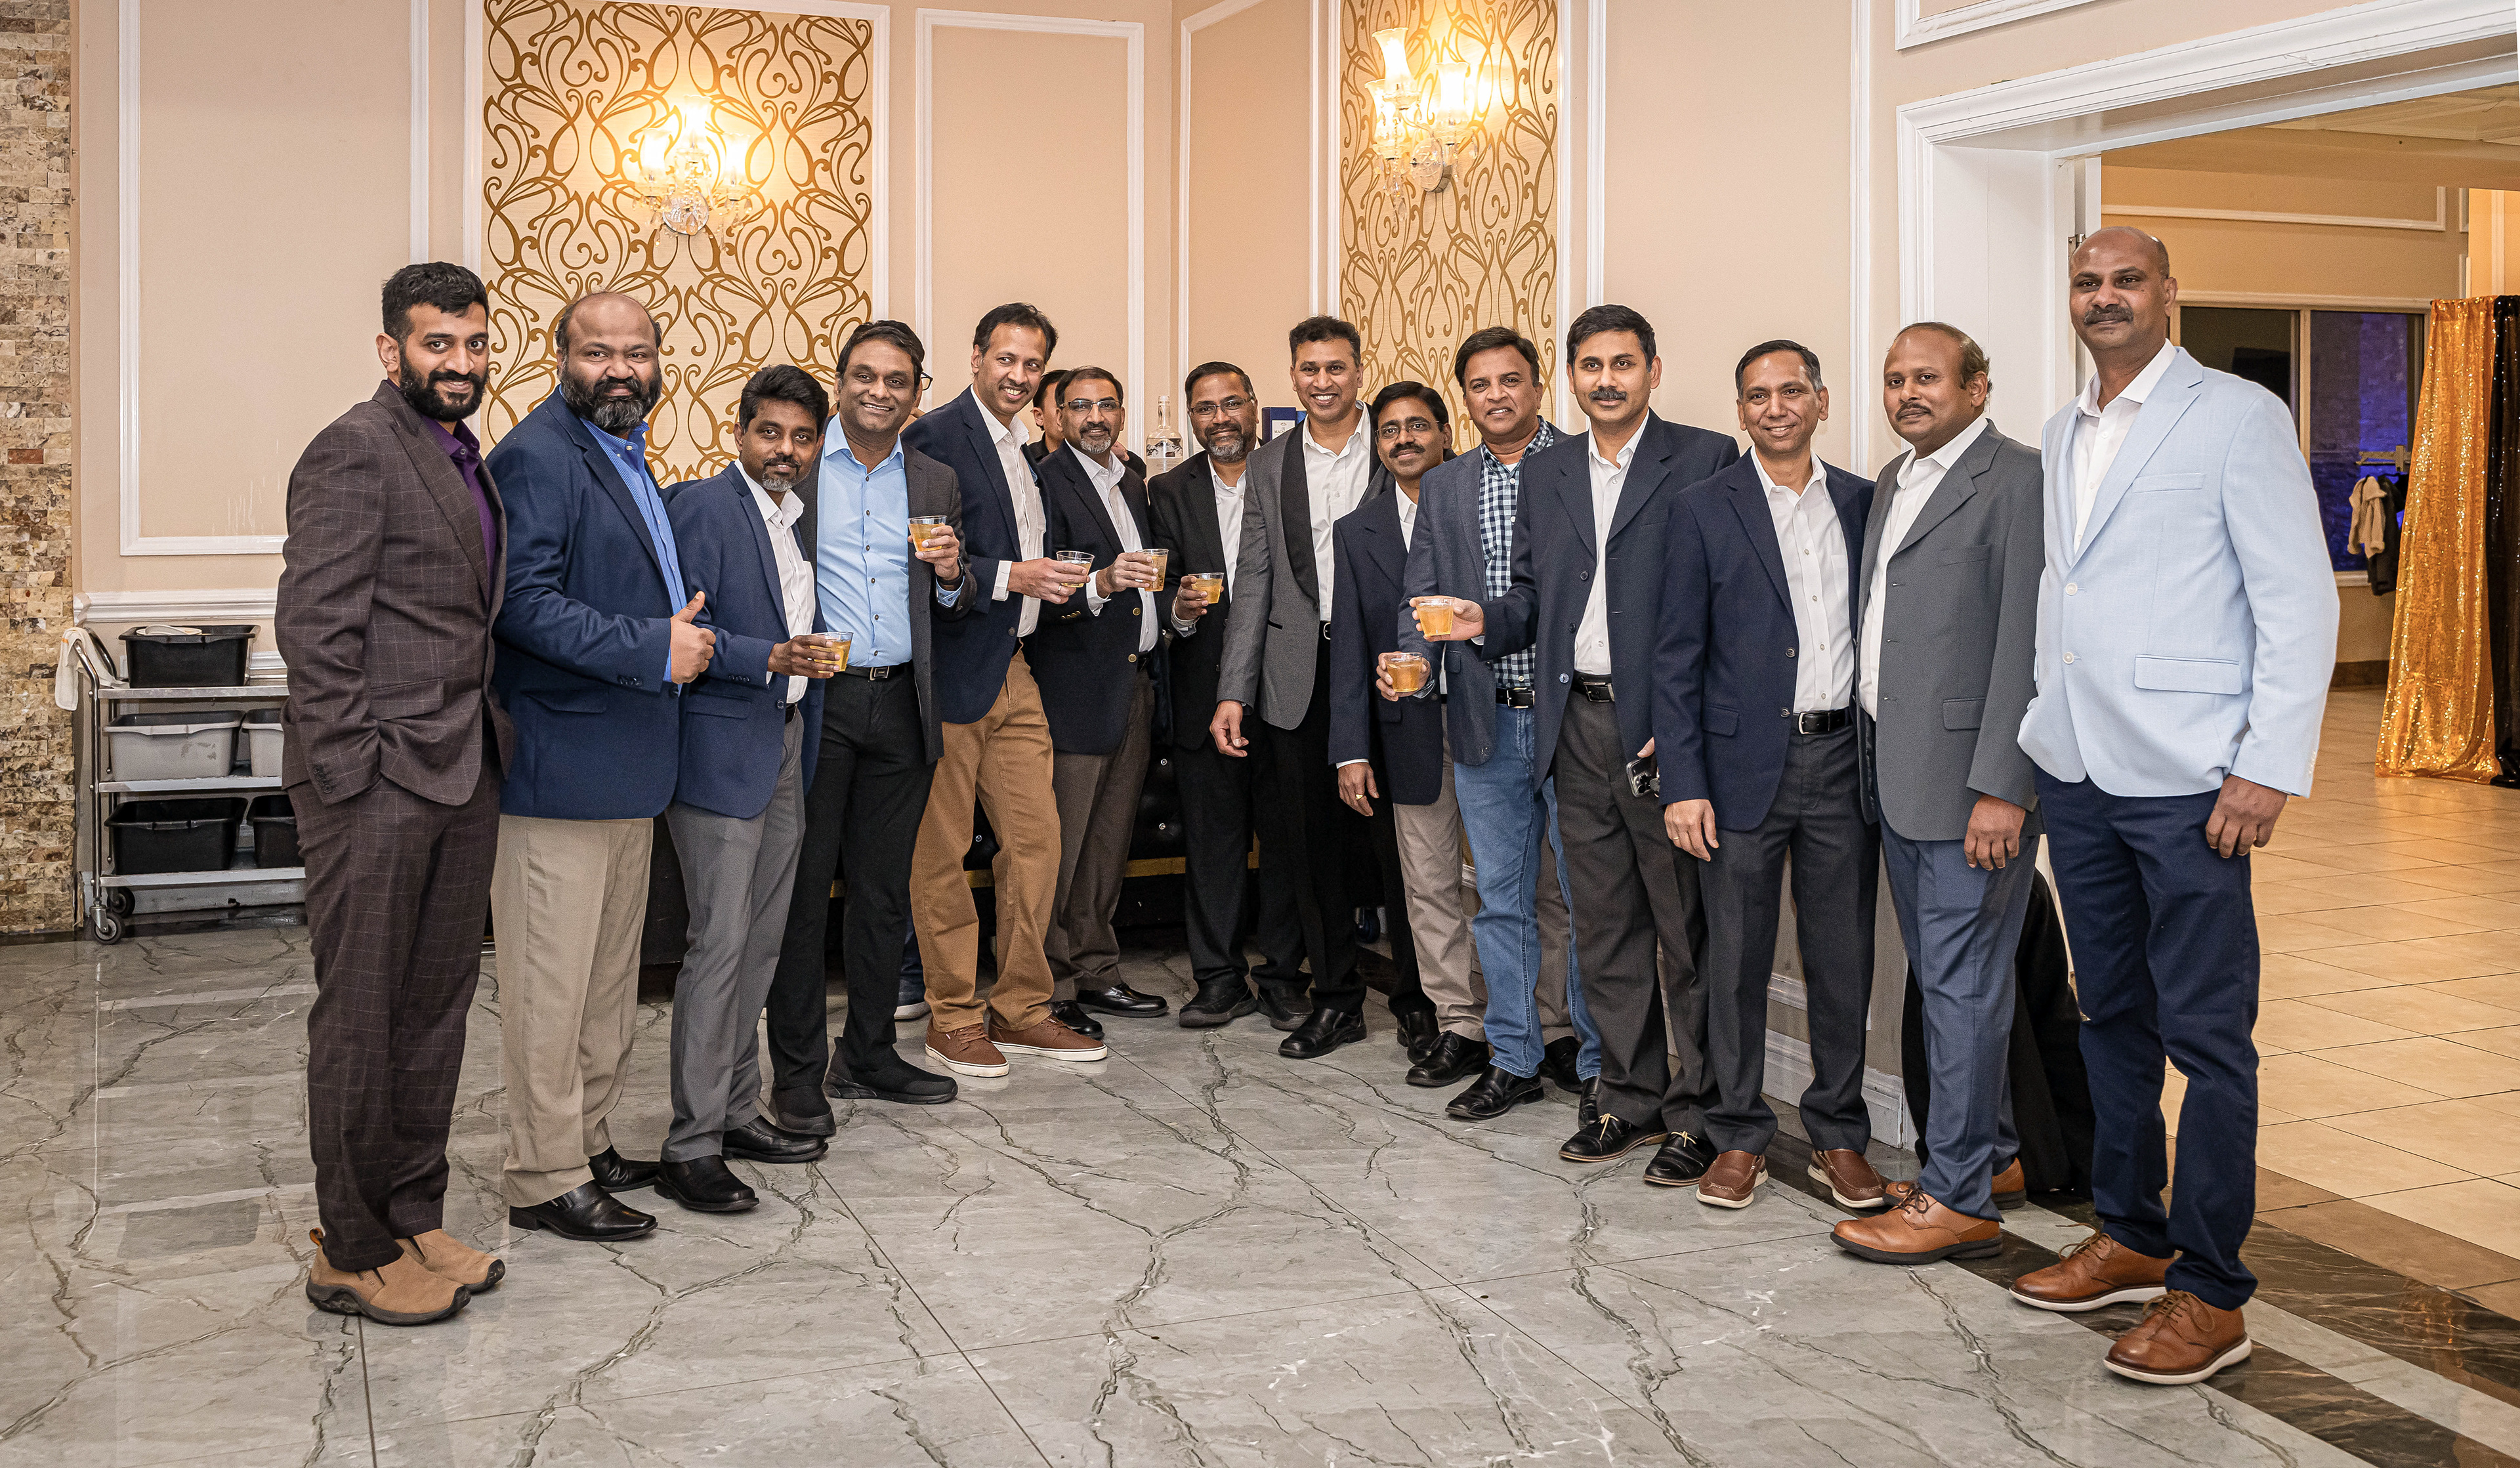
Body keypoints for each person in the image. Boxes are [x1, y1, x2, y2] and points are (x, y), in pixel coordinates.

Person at [2005, 227, 2336, 1387]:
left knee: (2208, 1038)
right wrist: (2039, 734)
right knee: (2111, 1018)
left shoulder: (2236, 417)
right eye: (2087, 282)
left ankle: (2212, 1289)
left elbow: (2297, 598)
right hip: (2081, 772)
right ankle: (2132, 1231)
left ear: (2169, 295)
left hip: (2195, 779)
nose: (2105, 297)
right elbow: (2066, 593)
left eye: (2126, 280)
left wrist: (2267, 762)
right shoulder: (2062, 429)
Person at [1424, 305, 1736, 1183]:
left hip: (1661, 730)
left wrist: (1686, 723)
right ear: (1571, 378)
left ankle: (1698, 1112)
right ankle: (1628, 1098)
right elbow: (1533, 594)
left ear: (1653, 371)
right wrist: (1487, 620)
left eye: (1622, 364)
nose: (1606, 380)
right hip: (1577, 723)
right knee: (1603, 927)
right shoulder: (1550, 469)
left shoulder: (1704, 458)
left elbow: (1726, 601)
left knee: (1684, 932)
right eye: (1591, 366)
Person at [282, 262, 513, 1325]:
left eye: (475, 343)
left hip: (462, 769)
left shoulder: (463, 454)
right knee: (362, 1018)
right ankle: (352, 1246)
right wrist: (354, 779)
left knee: (435, 1011)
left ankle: (414, 1214)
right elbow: (314, 629)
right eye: (437, 344)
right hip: (377, 783)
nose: (460, 362)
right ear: (393, 351)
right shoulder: (354, 448)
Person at [487, 291, 712, 1244]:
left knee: (607, 985)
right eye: (597, 353)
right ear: (560, 358)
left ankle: (585, 1141)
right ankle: (543, 1175)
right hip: (561, 767)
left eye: (637, 353)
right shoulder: (537, 456)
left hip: (624, 764)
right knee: (551, 988)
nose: (620, 369)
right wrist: (654, 646)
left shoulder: (624, 452)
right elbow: (521, 605)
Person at [1830, 324, 2044, 1264]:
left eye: (1927, 377)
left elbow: (2028, 642)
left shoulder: (2020, 478)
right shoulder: (1893, 480)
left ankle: (1956, 1196)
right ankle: (1991, 1155)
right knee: (1953, 985)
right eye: (1894, 379)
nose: (1908, 393)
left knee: (1961, 985)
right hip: (1897, 779)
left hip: (1970, 791)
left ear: (1978, 387)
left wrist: (2004, 786)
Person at [1655, 340, 1879, 1213]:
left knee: (1842, 958)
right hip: (1738, 768)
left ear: (1822, 401)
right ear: (1740, 410)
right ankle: (1739, 1133)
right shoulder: (1702, 508)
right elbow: (1675, 657)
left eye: (1792, 391)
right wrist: (1684, 782)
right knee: (1737, 958)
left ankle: (1839, 1133)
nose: (1776, 407)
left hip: (1843, 762)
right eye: (1758, 395)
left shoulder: (1864, 503)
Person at [762, 324, 975, 1132]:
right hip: (820, 700)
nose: (879, 391)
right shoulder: (801, 462)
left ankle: (870, 1052)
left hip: (904, 703)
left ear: (917, 392)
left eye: (896, 380)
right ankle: (797, 1071)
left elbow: (954, 598)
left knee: (885, 893)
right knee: (803, 892)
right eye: (864, 375)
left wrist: (951, 574)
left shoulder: (936, 478)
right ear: (841, 381)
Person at [654, 365, 847, 1211]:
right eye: (770, 432)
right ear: (739, 431)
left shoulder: (793, 518)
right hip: (721, 751)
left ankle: (735, 1111)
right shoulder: (705, 506)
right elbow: (685, 627)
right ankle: (691, 1142)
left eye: (802, 437)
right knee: (720, 945)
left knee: (762, 943)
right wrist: (766, 655)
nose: (785, 450)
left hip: (786, 742)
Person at [1396, 327, 1601, 1114]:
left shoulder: (1583, 464)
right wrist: (1413, 662)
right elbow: (1422, 593)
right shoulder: (1445, 484)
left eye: (1510, 380)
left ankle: (1595, 1060)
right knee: (1503, 899)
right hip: (1485, 720)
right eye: (1479, 385)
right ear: (1465, 399)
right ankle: (1513, 1057)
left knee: (1586, 900)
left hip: (1572, 721)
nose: (1496, 395)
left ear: (1539, 385)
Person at [900, 304, 1104, 1074]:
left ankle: (1021, 1007)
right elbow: (922, 551)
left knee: (1038, 842)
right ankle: (953, 1016)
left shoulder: (1024, 448)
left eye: (1032, 363)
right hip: (951, 668)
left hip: (1016, 666)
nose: (1018, 375)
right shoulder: (935, 436)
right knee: (943, 850)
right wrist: (1011, 575)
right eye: (1006, 359)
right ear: (977, 357)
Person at [1212, 316, 1382, 1060]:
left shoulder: (1397, 443)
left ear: (1359, 371)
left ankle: (1419, 1004)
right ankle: (1337, 999)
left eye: (1335, 367)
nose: (1323, 381)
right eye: (1309, 369)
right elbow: (1253, 580)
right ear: (1292, 376)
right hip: (1296, 677)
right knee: (1309, 851)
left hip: (1386, 673)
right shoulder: (1270, 462)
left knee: (1399, 847)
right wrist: (1233, 691)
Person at [1148, 362, 1305, 1027]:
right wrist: (1179, 609)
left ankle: (1284, 976)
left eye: (1231, 403)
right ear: (1192, 418)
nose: (1220, 418)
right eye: (1205, 408)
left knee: (1288, 843)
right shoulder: (1167, 490)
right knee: (1212, 846)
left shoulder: (1290, 472)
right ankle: (1217, 977)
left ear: (1255, 406)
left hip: (1290, 691)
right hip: (1203, 690)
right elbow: (1158, 585)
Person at [1030, 367, 1177, 1024]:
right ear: (1057, 415)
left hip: (1134, 686)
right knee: (1060, 851)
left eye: (1107, 404)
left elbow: (1147, 587)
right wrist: (1103, 583)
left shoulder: (1133, 482)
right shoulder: (1043, 483)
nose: (1095, 416)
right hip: (1073, 689)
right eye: (1080, 405)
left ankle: (1096, 969)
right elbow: (1039, 592)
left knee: (1108, 845)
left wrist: (1176, 610)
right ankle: (1052, 985)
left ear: (1121, 412)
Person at [1326, 383, 1456, 1070]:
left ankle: (1529, 1022)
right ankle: (1439, 1014)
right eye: (1389, 430)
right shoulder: (1358, 529)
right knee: (1425, 886)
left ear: (1445, 432)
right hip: (1403, 727)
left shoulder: (1483, 500)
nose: (1404, 439)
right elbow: (1349, 646)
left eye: (1418, 425)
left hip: (1495, 718)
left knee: (1516, 887)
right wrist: (1350, 750)